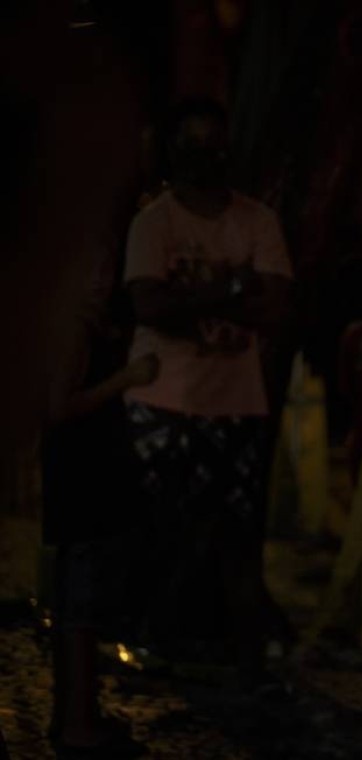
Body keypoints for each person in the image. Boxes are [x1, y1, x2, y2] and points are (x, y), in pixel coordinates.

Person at [122, 97, 292, 686]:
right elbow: (147, 304)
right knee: (164, 528)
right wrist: (234, 286)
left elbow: (274, 307)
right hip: (162, 402)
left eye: (213, 143)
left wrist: (195, 296)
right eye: (193, 144)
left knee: (236, 533)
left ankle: (239, 654)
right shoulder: (155, 222)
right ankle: (156, 641)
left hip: (236, 402)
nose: (206, 157)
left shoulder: (256, 221)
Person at [43, 242, 156, 757]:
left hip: (90, 475)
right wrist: (126, 380)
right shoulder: (74, 329)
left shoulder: (88, 325)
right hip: (80, 475)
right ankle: (77, 723)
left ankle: (72, 715)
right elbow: (61, 406)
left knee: (80, 602)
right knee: (79, 605)